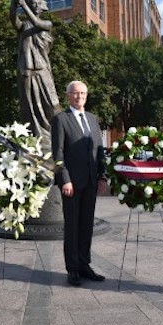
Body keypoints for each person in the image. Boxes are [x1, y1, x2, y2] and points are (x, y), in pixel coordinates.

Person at [51, 80, 107, 286]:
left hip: (91, 181)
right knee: (72, 226)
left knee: (86, 226)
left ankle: (85, 264)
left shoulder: (92, 119)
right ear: (68, 96)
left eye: (83, 93)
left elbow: (99, 150)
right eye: (75, 93)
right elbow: (57, 153)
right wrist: (64, 179)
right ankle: (72, 268)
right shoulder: (61, 120)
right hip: (72, 184)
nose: (79, 97)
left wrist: (102, 176)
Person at [10, 0, 62, 145]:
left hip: (42, 71)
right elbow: (12, 17)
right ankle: (34, 140)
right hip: (25, 71)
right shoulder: (23, 26)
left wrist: (23, 5)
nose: (32, 5)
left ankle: (56, 137)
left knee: (52, 105)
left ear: (40, 7)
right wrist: (15, 0)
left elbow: (37, 23)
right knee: (29, 109)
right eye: (30, 3)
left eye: (34, 4)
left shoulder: (46, 24)